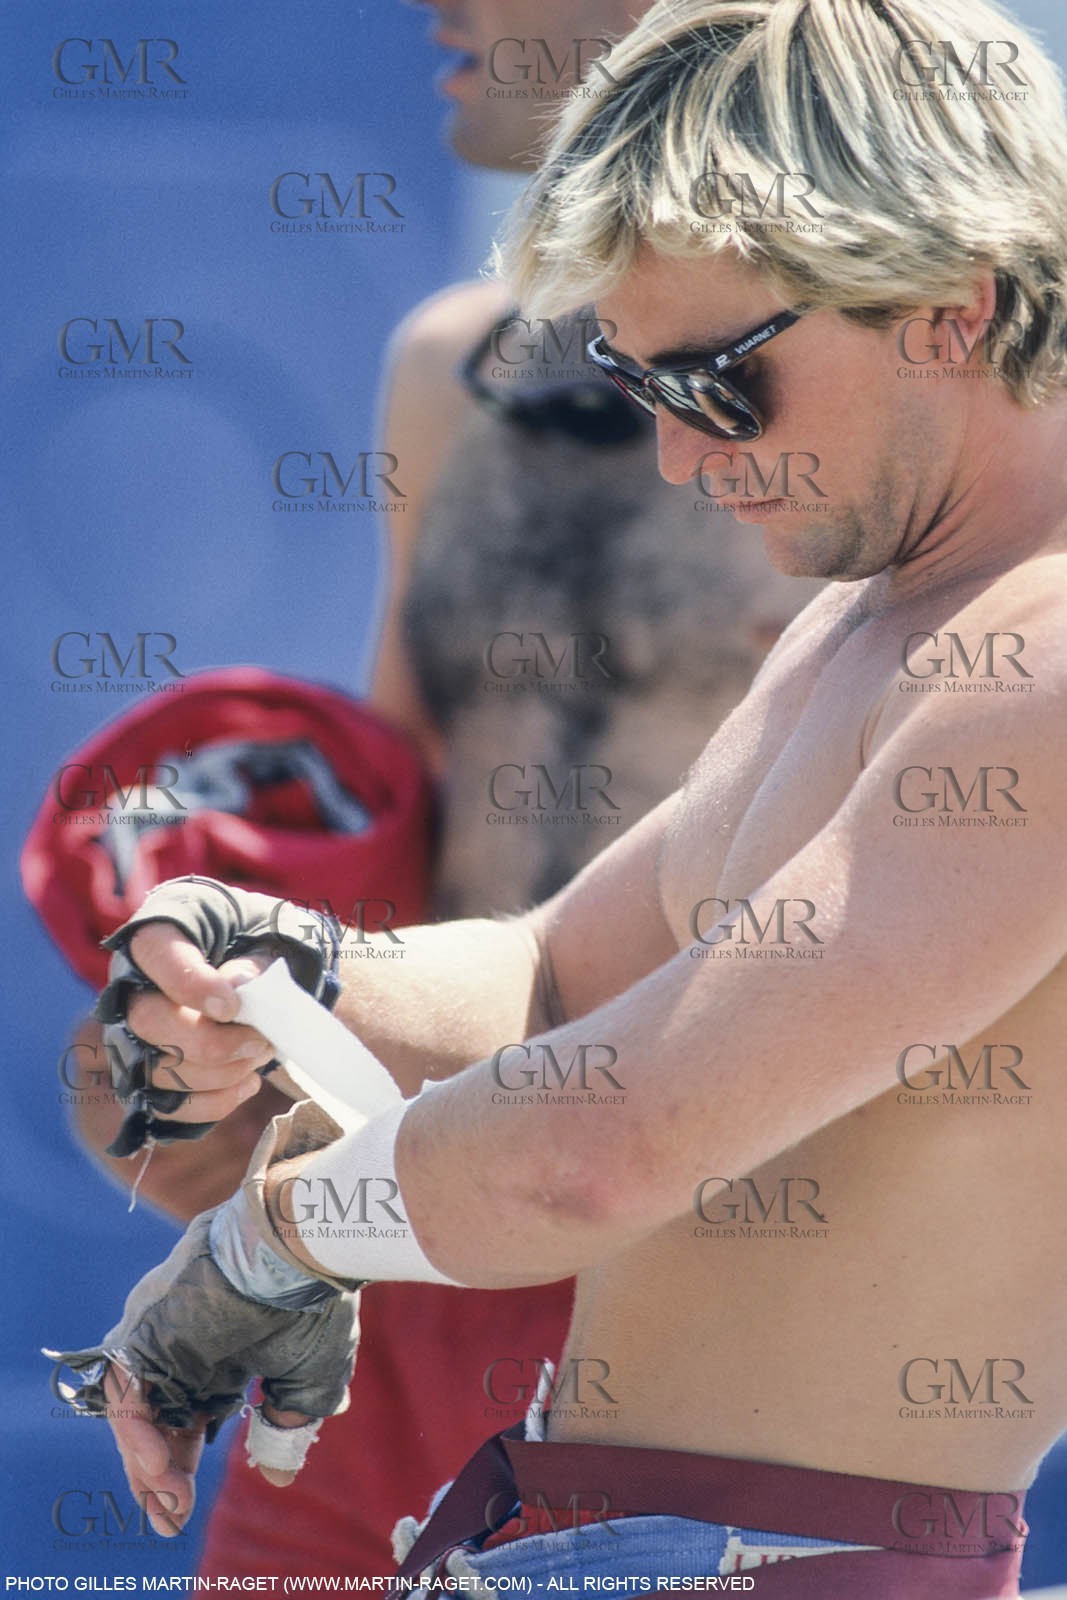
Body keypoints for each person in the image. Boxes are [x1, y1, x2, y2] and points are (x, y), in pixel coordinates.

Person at [65, 0, 1067, 1594]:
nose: (677, 457)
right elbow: (547, 974)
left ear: (955, 307)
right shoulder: (868, 622)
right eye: (634, 379)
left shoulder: (1041, 657)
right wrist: (273, 961)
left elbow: (597, 1151)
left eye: (722, 384)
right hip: (623, 1532)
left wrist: (263, 1245)